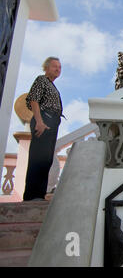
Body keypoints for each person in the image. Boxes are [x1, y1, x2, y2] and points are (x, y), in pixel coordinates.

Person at [23, 57, 64, 201]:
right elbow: (33, 99)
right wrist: (39, 121)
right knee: (38, 157)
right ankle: (31, 195)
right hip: (44, 119)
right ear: (46, 67)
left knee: (46, 159)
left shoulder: (52, 85)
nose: (58, 69)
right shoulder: (42, 80)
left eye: (59, 67)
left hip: (52, 122)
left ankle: (39, 194)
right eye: (55, 66)